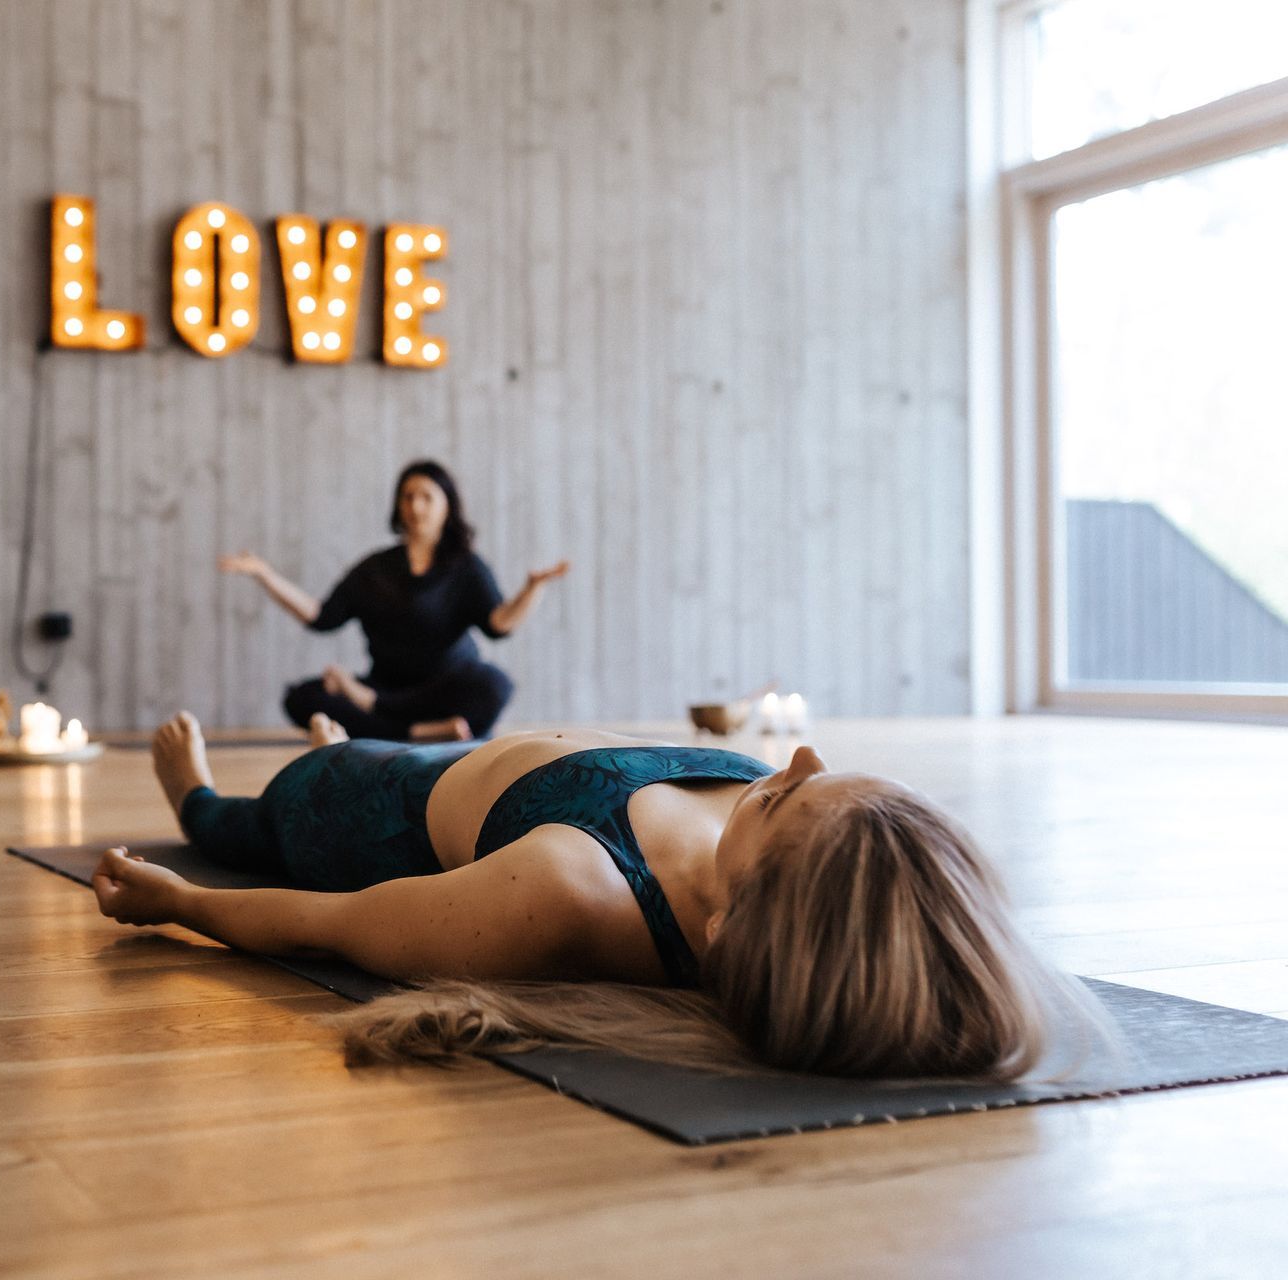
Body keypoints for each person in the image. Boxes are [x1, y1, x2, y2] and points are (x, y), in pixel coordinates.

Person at [91, 712, 1107, 1080]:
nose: (794, 753)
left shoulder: (567, 891)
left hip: (370, 802)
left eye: (792, 789)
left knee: (264, 811)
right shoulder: (801, 871)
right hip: (491, 756)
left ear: (726, 925)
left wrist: (181, 897)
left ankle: (212, 791)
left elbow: (331, 922)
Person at [219, 460, 568, 741]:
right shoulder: (375, 568)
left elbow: (498, 625)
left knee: (494, 686)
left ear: (448, 506)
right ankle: (416, 732)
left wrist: (531, 589)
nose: (416, 506)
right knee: (302, 699)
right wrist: (265, 574)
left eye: (427, 497)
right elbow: (322, 616)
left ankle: (383, 714)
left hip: (444, 690)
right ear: (398, 505)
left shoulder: (466, 567)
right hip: (386, 685)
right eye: (408, 496)